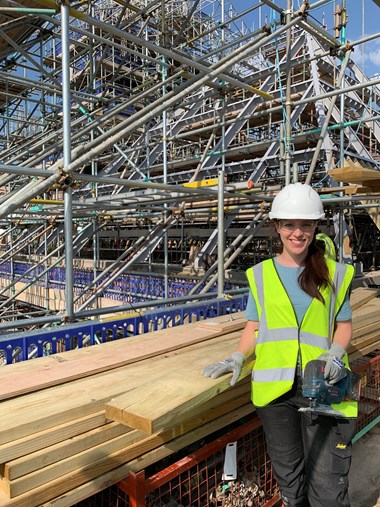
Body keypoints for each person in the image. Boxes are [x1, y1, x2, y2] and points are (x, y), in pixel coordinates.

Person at [203, 183, 357, 507]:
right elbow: (254, 327)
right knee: (290, 480)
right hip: (275, 394)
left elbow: (343, 326)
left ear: (316, 226)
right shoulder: (259, 275)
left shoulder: (335, 274)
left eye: (306, 225)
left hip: (323, 386)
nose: (297, 233)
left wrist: (336, 352)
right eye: (289, 224)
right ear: (276, 226)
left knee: (328, 486)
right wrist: (237, 355)